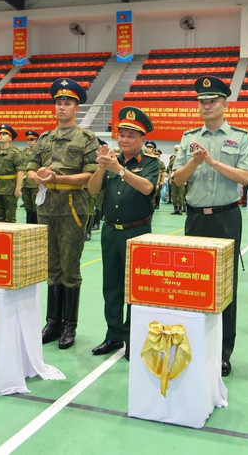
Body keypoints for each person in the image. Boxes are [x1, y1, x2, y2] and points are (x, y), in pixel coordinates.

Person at [172, 75, 248, 377]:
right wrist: (194, 162)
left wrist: (213, 163)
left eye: (212, 101)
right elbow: (177, 180)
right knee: (193, 282)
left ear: (225, 104)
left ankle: (222, 352)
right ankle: (194, 344)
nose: (206, 105)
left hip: (225, 217)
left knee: (225, 285)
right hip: (195, 218)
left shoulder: (240, 137)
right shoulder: (188, 137)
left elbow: (246, 177)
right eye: (202, 101)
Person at [27, 78, 98, 350]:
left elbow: (90, 176)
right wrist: (37, 177)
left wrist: (60, 179)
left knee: (69, 268)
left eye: (67, 103)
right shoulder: (44, 138)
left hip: (71, 207)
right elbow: (30, 168)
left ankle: (70, 324)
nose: (61, 107)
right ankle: (52, 322)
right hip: (46, 207)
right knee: (51, 268)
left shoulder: (86, 138)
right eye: (58, 102)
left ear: (76, 108)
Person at [88, 106, 160, 358]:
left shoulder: (150, 162)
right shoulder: (111, 161)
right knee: (111, 286)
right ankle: (113, 335)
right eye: (122, 134)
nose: (125, 139)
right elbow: (92, 189)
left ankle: (133, 337)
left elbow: (147, 188)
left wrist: (119, 169)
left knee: (135, 287)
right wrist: (102, 166)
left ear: (142, 139)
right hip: (111, 232)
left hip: (137, 232)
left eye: (131, 135)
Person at [0, 124, 25, 222]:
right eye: (0, 134)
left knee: (10, 218)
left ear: (10, 138)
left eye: (4, 134)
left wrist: (18, 188)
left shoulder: (15, 153)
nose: (1, 136)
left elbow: (20, 171)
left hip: (10, 189)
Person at [20, 130, 40, 224]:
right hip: (25, 184)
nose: (30, 142)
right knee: (28, 207)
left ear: (37, 141)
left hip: (35, 184)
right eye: (28, 140)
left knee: (36, 207)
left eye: (32, 140)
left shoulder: (40, 153)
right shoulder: (24, 152)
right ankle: (28, 225)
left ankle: (36, 226)